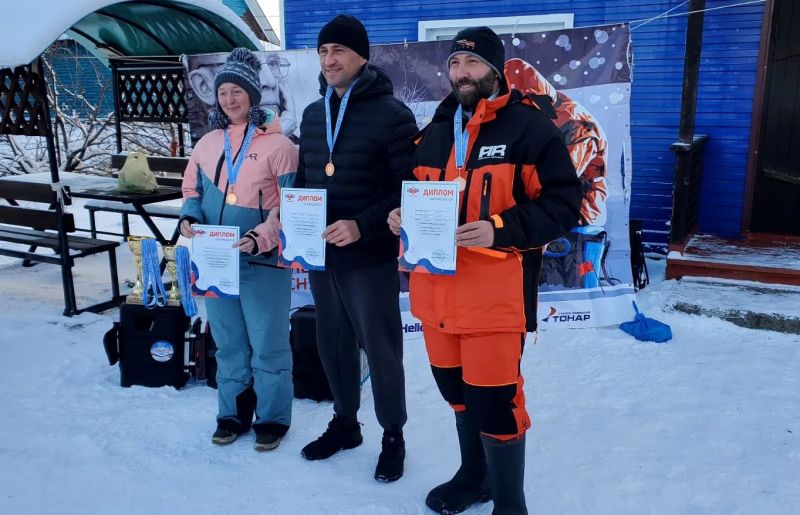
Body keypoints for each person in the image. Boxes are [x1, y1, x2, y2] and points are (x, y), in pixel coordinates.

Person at [388, 27, 581, 513]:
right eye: (455, 63)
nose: (462, 73)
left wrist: (499, 228)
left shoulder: (529, 129)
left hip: (494, 301)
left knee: (495, 403)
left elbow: (563, 205)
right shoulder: (436, 130)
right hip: (435, 299)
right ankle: (474, 476)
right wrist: (399, 215)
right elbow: (411, 189)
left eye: (472, 63)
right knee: (457, 395)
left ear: (495, 70)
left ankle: (510, 503)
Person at [291, 14, 417, 482]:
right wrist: (295, 223)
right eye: (323, 52)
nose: (329, 60)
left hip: (368, 255)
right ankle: (345, 423)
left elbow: (408, 189)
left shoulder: (392, 114)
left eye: (339, 51)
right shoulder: (312, 114)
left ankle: (393, 436)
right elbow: (305, 180)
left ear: (362, 56)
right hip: (323, 255)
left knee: (381, 349)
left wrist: (362, 226)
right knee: (333, 343)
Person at [178, 48, 299, 452]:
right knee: (228, 342)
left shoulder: (280, 146)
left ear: (252, 95)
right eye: (223, 92)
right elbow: (192, 190)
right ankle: (232, 413)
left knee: (268, 343)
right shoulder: (207, 143)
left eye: (237, 92)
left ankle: (273, 418)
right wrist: (189, 216)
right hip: (216, 262)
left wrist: (260, 237)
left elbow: (290, 208)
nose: (229, 99)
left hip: (262, 262)